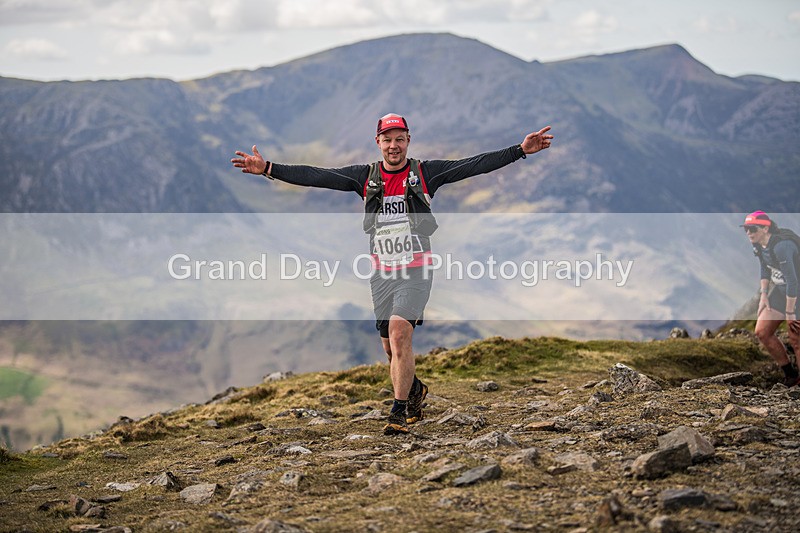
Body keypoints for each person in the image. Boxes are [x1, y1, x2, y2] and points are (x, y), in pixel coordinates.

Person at [232, 113, 553, 434]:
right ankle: (415, 391)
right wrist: (269, 169)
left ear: (408, 140)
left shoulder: (426, 173)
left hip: (416, 271)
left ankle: (398, 414)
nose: (394, 145)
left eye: (400, 139)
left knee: (400, 335)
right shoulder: (365, 178)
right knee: (390, 349)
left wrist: (520, 150)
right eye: (388, 140)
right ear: (378, 143)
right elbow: (318, 175)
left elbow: (475, 164)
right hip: (381, 275)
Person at [742, 211, 800, 386]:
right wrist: (764, 296)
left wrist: (790, 313)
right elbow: (765, 269)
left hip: (796, 292)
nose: (749, 233)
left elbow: (792, 281)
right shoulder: (759, 245)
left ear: (765, 228)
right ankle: (790, 374)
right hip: (782, 292)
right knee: (762, 331)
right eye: (746, 229)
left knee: (796, 337)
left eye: (753, 229)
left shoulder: (782, 247)